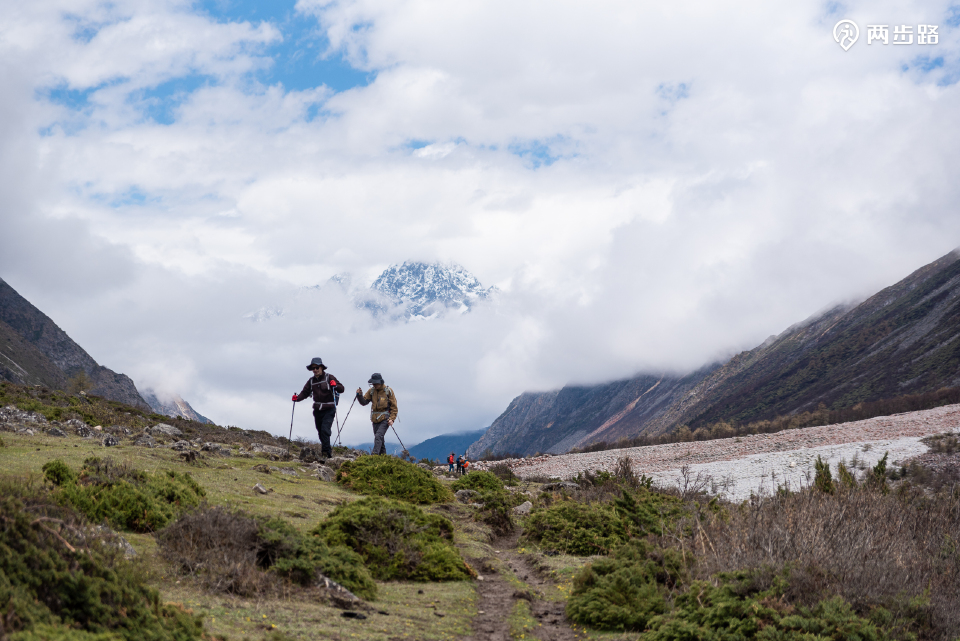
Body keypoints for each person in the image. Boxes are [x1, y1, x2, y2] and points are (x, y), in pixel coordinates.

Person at [293, 357, 344, 459]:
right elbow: (305, 392)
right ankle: (327, 452)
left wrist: (335, 385)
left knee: (325, 430)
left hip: (329, 408)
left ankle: (325, 454)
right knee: (320, 432)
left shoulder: (329, 377)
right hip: (317, 410)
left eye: (317, 367)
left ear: (322, 367)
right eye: (313, 368)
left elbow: (342, 388)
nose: (315, 370)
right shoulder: (311, 381)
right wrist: (297, 398)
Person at [355, 372, 398, 456]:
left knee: (378, 436)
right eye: (373, 383)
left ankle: (374, 456)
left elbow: (394, 407)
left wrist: (392, 419)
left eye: (376, 383)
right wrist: (359, 395)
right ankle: (383, 460)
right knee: (380, 440)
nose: (374, 385)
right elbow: (364, 402)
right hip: (375, 419)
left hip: (385, 418)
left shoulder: (388, 391)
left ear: (380, 382)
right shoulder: (371, 391)